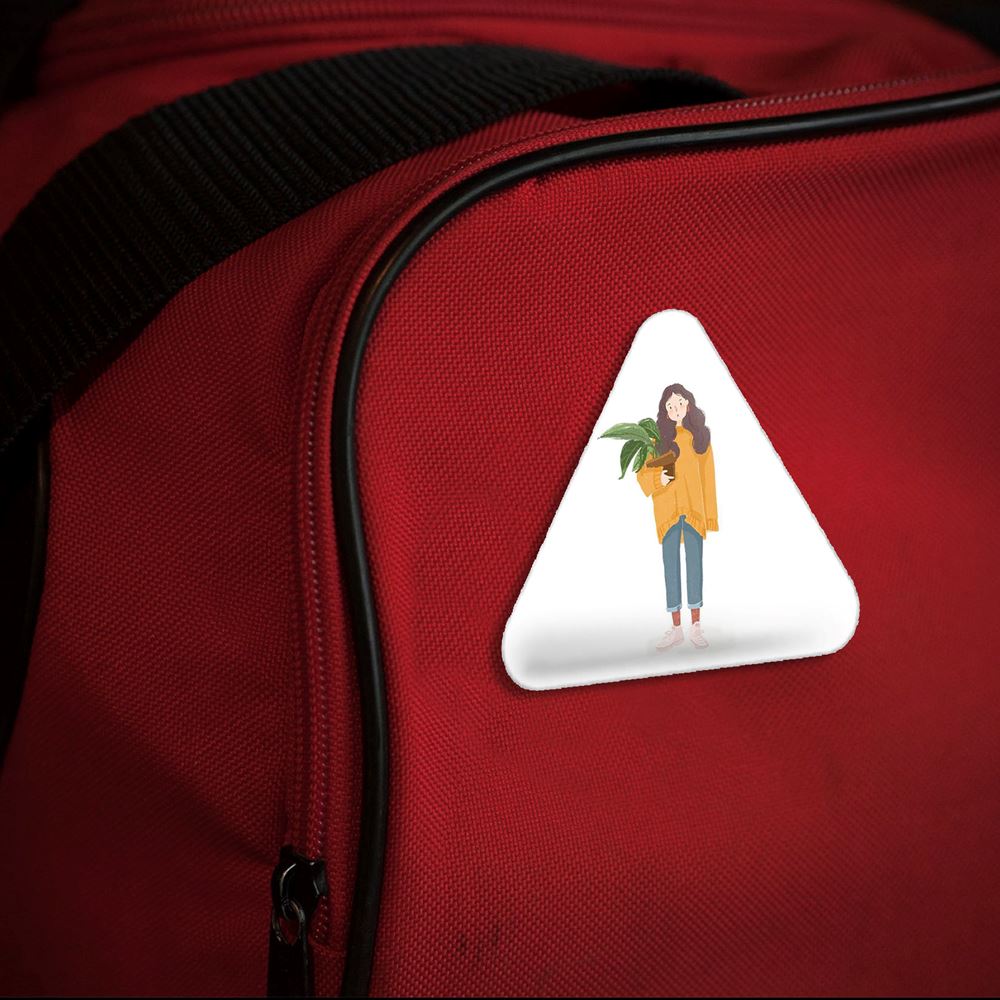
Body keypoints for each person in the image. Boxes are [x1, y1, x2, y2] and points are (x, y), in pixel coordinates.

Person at [635, 383, 718, 649]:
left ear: (689, 405)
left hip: (694, 511)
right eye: (670, 405)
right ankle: (676, 628)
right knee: (670, 566)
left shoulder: (699, 439)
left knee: (695, 565)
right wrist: (658, 479)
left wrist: (709, 516)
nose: (676, 408)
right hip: (667, 512)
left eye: (680, 402)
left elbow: (708, 479)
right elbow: (643, 476)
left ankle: (696, 625)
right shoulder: (657, 443)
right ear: (665, 411)